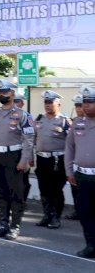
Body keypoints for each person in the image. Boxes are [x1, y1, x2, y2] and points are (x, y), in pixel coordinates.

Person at [0, 79, 35, 240]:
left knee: (16, 193)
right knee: (0, 191)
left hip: (15, 157)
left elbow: (28, 139)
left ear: (13, 93)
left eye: (5, 92)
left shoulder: (23, 115)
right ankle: (3, 224)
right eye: (0, 92)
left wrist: (24, 160)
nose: (2, 94)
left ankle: (15, 226)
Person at [65, 85, 95, 258]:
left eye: (90, 102)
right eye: (84, 102)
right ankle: (90, 245)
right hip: (82, 176)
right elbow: (69, 148)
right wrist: (69, 171)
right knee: (85, 212)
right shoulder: (77, 123)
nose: (86, 105)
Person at [34, 90, 71, 229]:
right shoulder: (39, 120)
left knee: (56, 190)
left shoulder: (64, 121)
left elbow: (71, 143)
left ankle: (56, 217)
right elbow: (32, 139)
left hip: (57, 160)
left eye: (51, 102)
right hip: (42, 159)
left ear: (58, 104)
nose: (48, 105)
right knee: (43, 188)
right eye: (46, 102)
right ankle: (47, 214)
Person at [66, 94, 85, 220]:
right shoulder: (73, 122)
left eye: (80, 105)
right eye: (76, 105)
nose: (78, 108)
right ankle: (78, 211)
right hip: (75, 162)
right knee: (75, 189)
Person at [13, 93, 34, 205]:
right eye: (14, 101)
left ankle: (22, 201)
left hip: (23, 153)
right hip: (11, 153)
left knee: (23, 180)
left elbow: (29, 140)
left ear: (22, 103)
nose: (15, 103)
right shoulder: (7, 115)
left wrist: (30, 157)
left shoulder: (27, 116)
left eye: (18, 101)